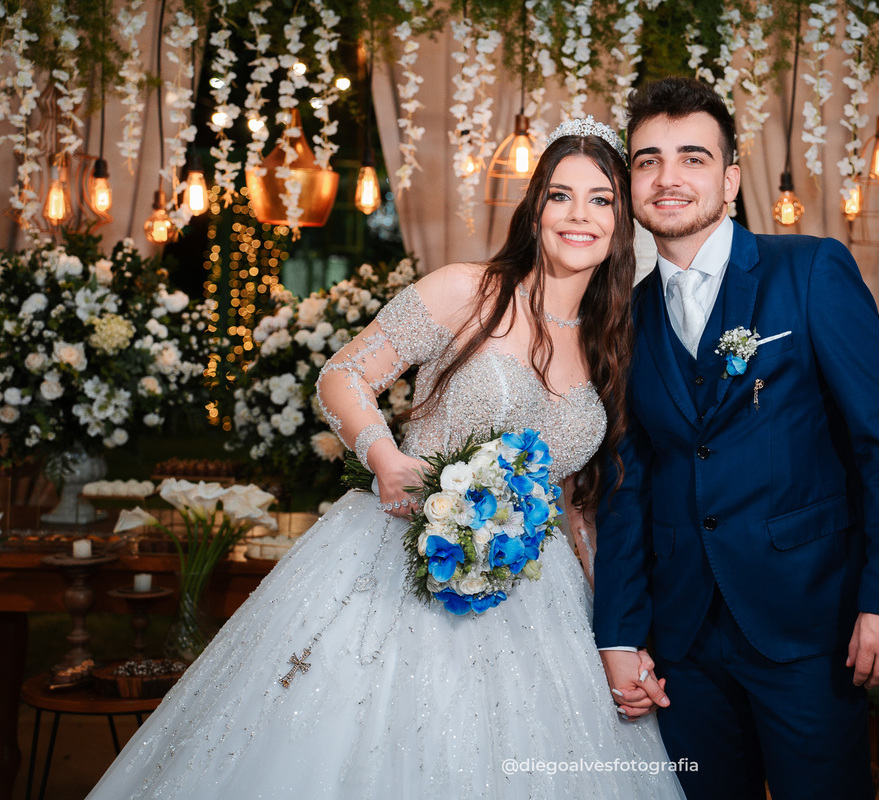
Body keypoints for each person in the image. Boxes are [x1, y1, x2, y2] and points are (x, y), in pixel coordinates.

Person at [87, 120, 685, 799]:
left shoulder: (613, 341)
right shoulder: (469, 290)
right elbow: (343, 374)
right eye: (560, 196)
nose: (579, 216)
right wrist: (385, 458)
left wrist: (614, 631)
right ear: (534, 209)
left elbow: (578, 505)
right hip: (398, 557)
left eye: (601, 199)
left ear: (622, 220)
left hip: (536, 590)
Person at [593, 77, 879, 800]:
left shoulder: (808, 270)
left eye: (693, 157)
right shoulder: (624, 315)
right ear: (631, 184)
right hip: (682, 636)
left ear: (731, 179)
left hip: (808, 621)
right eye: (648, 161)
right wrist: (619, 633)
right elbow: (626, 484)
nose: (669, 177)